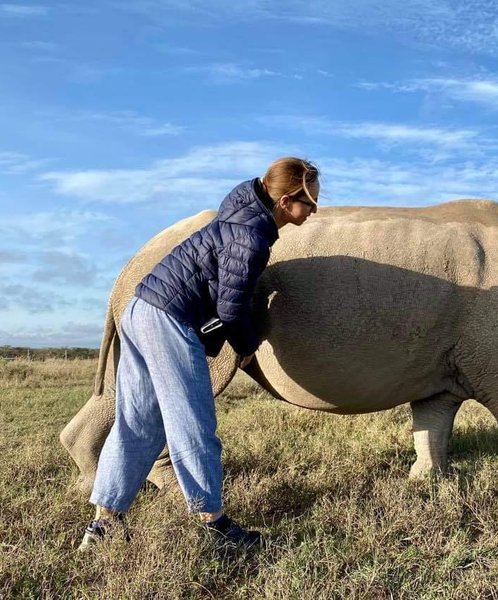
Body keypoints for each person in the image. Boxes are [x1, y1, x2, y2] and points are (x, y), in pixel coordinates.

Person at [78, 157, 320, 550]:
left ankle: (104, 524)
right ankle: (213, 525)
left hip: (141, 309)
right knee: (193, 424)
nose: (314, 211)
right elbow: (230, 308)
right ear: (285, 201)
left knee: (136, 421)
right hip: (168, 321)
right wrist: (245, 346)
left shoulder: (239, 218)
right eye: (309, 203)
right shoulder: (251, 237)